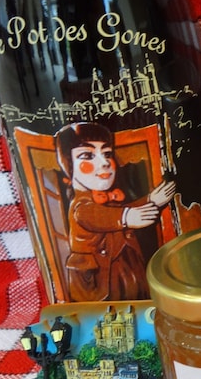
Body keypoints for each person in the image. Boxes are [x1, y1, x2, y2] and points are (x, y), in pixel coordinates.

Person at [55, 122, 175, 302]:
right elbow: (96, 216)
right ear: (69, 165)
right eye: (87, 155)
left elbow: (120, 210)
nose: (104, 163)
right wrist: (126, 217)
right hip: (100, 278)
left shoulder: (106, 198)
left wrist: (150, 200)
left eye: (107, 154)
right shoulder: (81, 205)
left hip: (125, 266)